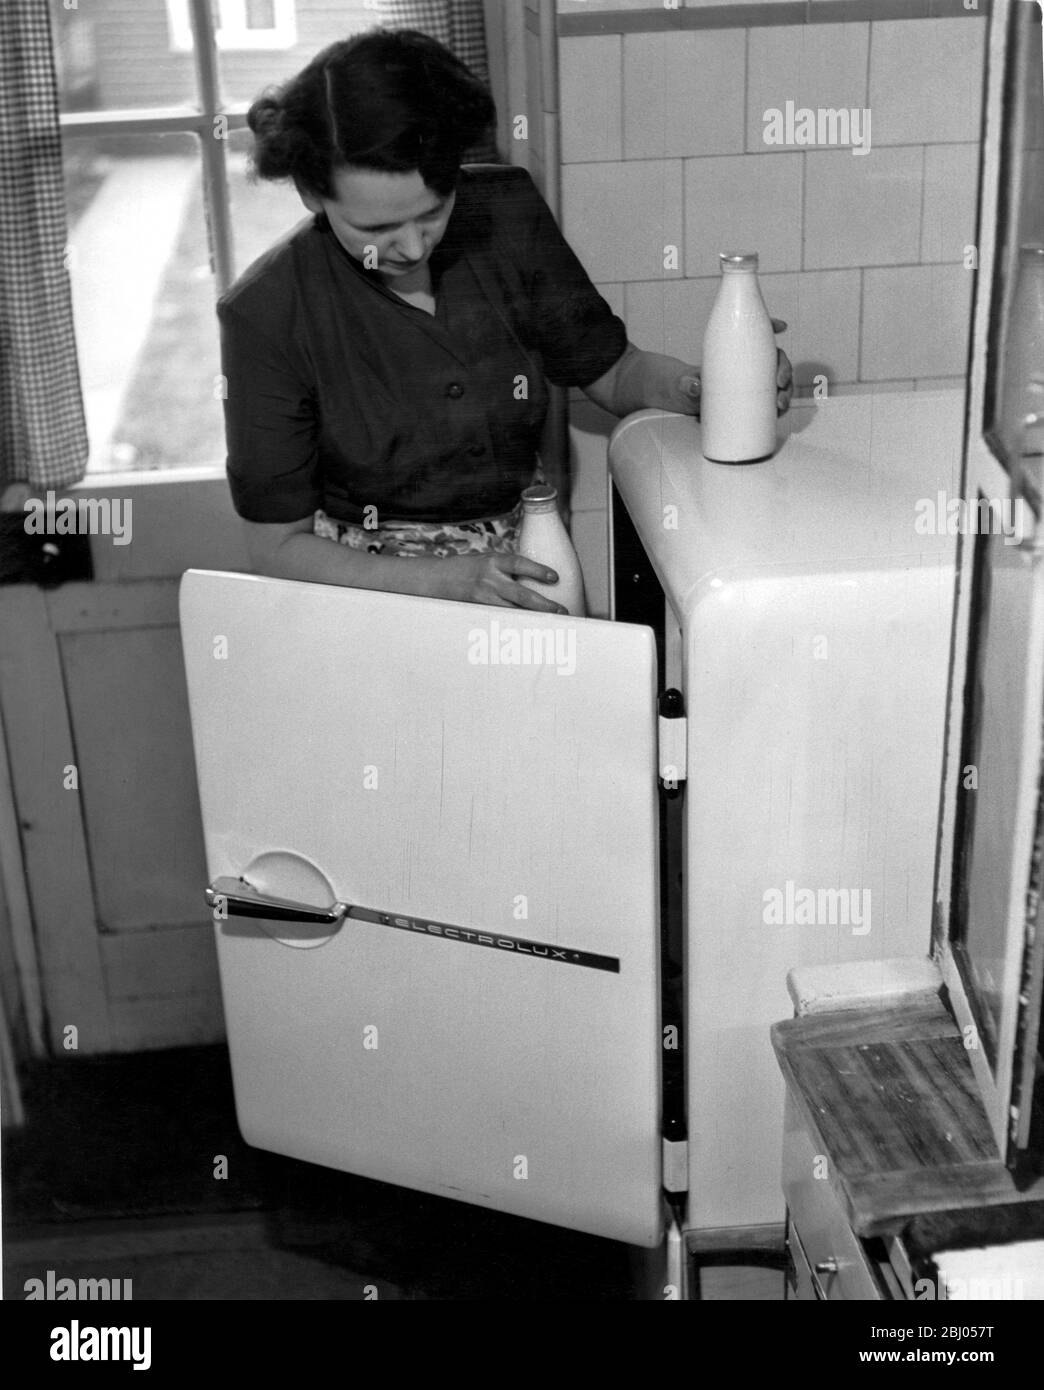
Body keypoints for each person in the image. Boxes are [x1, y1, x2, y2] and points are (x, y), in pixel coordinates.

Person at [220, 28, 792, 613]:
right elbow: (277, 548)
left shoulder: (505, 213)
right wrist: (446, 580)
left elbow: (615, 372)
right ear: (313, 194)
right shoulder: (266, 314)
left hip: (527, 563)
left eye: (433, 212)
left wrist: (704, 387)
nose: (413, 247)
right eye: (375, 230)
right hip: (368, 599)